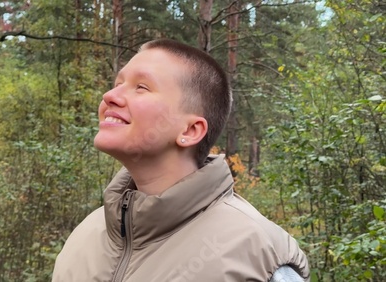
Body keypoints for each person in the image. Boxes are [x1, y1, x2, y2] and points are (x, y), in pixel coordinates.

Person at [51, 39, 309, 282]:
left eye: (141, 87)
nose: (110, 96)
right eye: (118, 83)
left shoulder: (259, 254)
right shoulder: (87, 233)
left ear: (190, 131)